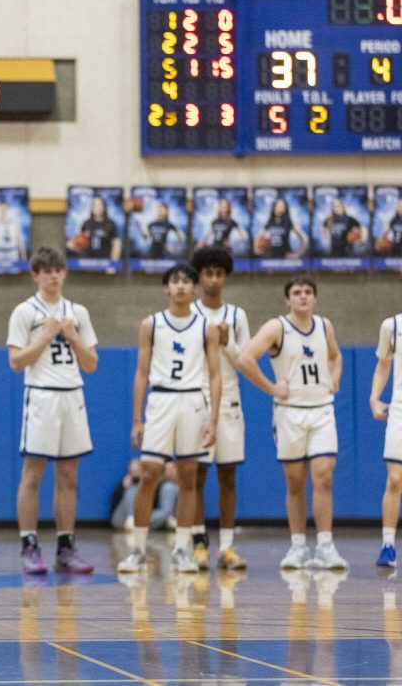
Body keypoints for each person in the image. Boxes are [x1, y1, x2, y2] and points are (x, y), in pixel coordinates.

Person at [236, 276, 347, 570]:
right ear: (287, 300)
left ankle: (325, 546)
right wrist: (272, 387)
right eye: (297, 293)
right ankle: (298, 546)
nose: (303, 297)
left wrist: (335, 377)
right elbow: (245, 359)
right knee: (296, 481)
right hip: (290, 412)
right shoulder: (277, 327)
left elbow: (336, 357)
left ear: (315, 298)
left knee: (324, 476)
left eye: (308, 292)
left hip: (322, 409)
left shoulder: (325, 326)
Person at [117, 263, 221, 574]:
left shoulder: (207, 327)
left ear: (194, 288)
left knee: (188, 478)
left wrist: (214, 419)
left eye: (187, 281)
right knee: (149, 474)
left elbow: (215, 375)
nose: (180, 286)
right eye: (175, 281)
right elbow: (141, 373)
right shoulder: (151, 324)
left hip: (192, 399)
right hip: (160, 399)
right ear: (166, 287)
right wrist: (137, 418)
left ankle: (182, 550)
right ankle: (136, 550)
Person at [6, 246, 98, 575]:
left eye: (58, 269)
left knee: (69, 475)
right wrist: (45, 336)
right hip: (42, 396)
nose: (54, 275)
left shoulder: (78, 312)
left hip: (73, 395)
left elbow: (91, 364)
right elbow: (16, 362)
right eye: (46, 270)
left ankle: (66, 546)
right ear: (35, 274)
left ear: (65, 272)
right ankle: (29, 545)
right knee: (33, 474)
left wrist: (72, 336)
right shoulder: (24, 312)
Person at [188, 246, 250, 570]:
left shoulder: (237, 316)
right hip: (197, 400)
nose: (213, 280)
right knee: (196, 477)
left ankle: (226, 547)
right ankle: (198, 543)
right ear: (199, 277)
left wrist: (228, 342)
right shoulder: (189, 313)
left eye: (219, 274)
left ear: (226, 277)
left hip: (229, 402)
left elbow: (244, 361)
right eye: (208, 273)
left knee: (228, 477)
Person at [370, 311, 402, 567]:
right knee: (395, 479)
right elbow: (383, 364)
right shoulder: (391, 325)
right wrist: (374, 397)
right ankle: (388, 544)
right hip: (399, 411)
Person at [109, 460, 178, 531]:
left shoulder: (166, 487)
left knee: (169, 488)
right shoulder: (132, 482)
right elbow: (114, 501)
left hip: (150, 519)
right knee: (133, 488)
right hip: (124, 517)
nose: (169, 472)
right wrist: (122, 487)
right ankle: (132, 519)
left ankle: (136, 522)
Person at [68, 196, 121, 261]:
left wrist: (113, 264)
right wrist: (73, 245)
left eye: (99, 205)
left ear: (104, 207)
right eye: (95, 205)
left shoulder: (111, 224)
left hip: (105, 260)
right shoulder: (86, 223)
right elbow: (74, 241)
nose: (97, 208)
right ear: (92, 208)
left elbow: (116, 245)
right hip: (88, 261)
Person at [0, 199, 27, 268]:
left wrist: (23, 254)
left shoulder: (14, 220)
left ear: (8, 208)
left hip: (12, 251)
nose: (3, 209)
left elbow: (19, 238)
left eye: (4, 207)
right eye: (1, 208)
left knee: (14, 272)